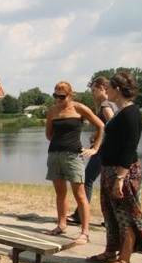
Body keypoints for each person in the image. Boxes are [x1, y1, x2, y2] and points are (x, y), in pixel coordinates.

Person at [92, 71, 142, 263]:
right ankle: (111, 251)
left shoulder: (130, 113)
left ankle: (124, 260)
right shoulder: (120, 111)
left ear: (117, 90)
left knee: (125, 215)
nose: (106, 92)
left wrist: (120, 177)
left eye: (108, 89)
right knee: (110, 213)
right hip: (110, 169)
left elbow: (129, 148)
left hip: (123, 172)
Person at [44, 81, 104, 245]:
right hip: (55, 155)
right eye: (55, 95)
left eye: (61, 96)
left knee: (80, 194)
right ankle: (61, 225)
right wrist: (59, 143)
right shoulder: (52, 110)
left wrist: (95, 148)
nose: (58, 99)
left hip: (73, 156)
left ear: (70, 95)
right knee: (60, 194)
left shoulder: (79, 108)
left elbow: (101, 126)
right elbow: (49, 134)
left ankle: (85, 232)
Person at [67, 77, 118, 224]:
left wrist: (98, 139)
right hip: (108, 149)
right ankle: (111, 219)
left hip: (103, 150)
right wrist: (97, 135)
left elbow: (113, 124)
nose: (92, 93)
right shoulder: (113, 104)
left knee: (87, 179)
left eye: (94, 90)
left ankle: (80, 215)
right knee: (107, 183)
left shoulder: (106, 105)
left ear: (103, 87)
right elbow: (111, 125)